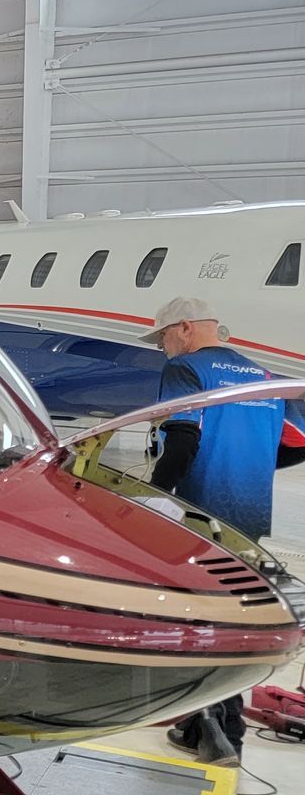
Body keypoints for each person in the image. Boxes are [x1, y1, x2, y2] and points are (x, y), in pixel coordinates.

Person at [142, 296, 305, 767]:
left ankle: (218, 731)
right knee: (233, 620)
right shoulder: (263, 376)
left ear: (186, 329)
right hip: (248, 520)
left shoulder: (188, 369)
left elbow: (183, 439)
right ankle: (205, 726)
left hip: (199, 515)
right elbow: (296, 448)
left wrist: (158, 498)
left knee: (196, 624)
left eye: (164, 337)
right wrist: (248, 465)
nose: (163, 347)